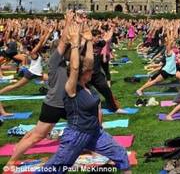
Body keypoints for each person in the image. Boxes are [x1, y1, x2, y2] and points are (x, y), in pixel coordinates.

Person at [43, 18, 131, 173]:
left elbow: (89, 61)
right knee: (54, 169)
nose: (92, 70)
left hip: (95, 133)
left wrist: (89, 41)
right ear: (83, 73)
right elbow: (76, 67)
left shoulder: (86, 86)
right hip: (76, 135)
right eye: (89, 70)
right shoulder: (72, 87)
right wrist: (76, 45)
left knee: (121, 155)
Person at [5, 14, 76, 168]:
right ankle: (12, 160)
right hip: (55, 104)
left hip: (63, 103)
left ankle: (17, 150)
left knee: (38, 133)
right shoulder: (56, 60)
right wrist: (68, 23)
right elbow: (64, 42)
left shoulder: (64, 62)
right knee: (38, 135)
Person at [136, 22, 180, 96]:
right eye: (172, 43)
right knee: (154, 82)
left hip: (173, 71)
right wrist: (170, 31)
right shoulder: (168, 51)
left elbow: (172, 39)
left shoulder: (171, 50)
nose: (174, 43)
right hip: (167, 71)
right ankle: (140, 90)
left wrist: (172, 30)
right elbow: (169, 41)